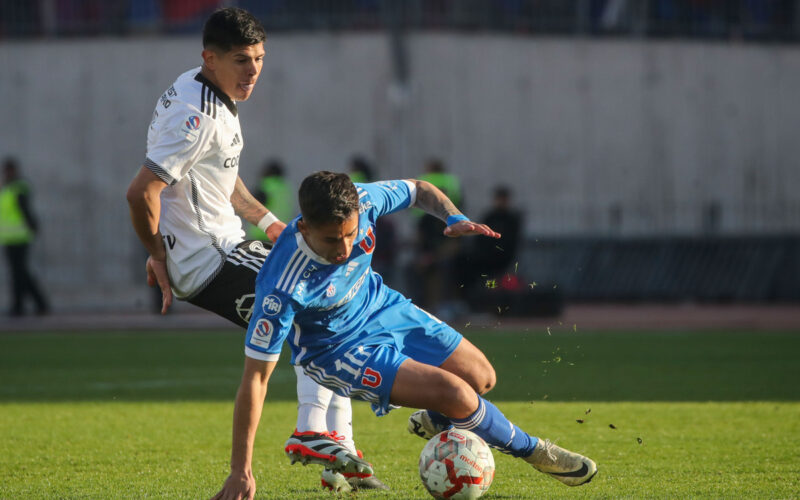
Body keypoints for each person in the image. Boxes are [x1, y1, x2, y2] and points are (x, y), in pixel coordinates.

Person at [125, 8, 384, 495]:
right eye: (242, 60)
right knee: (319, 305)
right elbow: (141, 193)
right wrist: (158, 252)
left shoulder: (203, 90)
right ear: (211, 58)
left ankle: (341, 454)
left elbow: (217, 176)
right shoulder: (195, 115)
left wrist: (268, 224)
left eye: (260, 58)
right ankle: (318, 435)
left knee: (331, 308)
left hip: (223, 244)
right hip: (213, 259)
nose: (253, 70)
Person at [213, 172, 598, 499]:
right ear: (304, 227)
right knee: (458, 395)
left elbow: (418, 189)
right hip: (338, 350)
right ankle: (536, 452)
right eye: (332, 240)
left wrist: (453, 216)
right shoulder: (280, 285)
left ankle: (436, 419)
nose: (345, 249)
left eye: (350, 235)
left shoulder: (365, 201)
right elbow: (255, 379)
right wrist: (240, 470)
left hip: (382, 307)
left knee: (481, 377)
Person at [0, 157, 49, 316]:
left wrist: (33, 226)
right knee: (20, 273)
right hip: (9, 238)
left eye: (8, 170)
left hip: (20, 237)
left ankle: (19, 306)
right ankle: (39, 303)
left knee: (18, 274)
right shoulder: (7, 188)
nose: (6, 173)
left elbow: (25, 209)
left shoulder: (19, 187)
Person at [246, 159, 294, 242]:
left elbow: (248, 206)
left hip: (263, 233)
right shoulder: (286, 188)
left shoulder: (265, 187)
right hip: (281, 233)